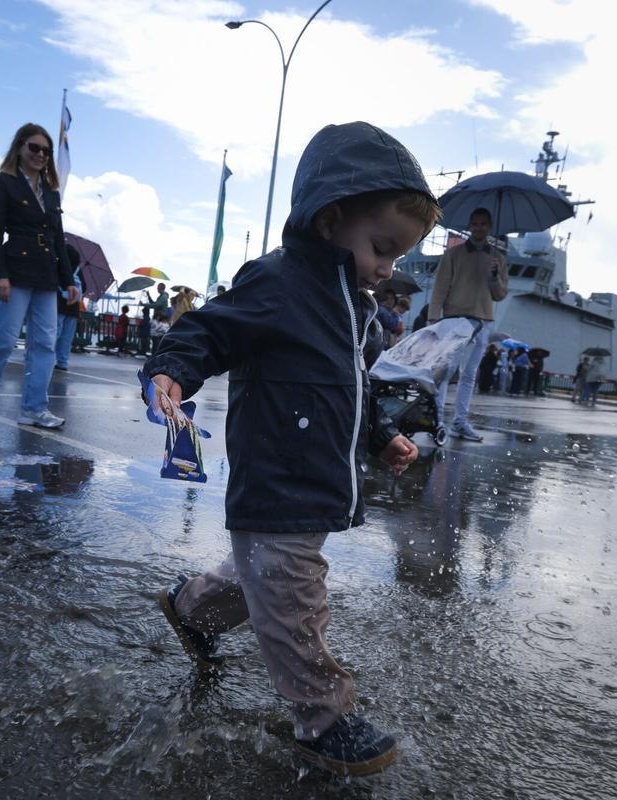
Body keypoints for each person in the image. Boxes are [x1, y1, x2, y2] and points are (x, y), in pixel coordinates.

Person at [146, 122, 435, 776]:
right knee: (295, 600)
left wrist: (383, 434)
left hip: (315, 486)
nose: (388, 268)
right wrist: (173, 370)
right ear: (330, 219)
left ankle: (189, 607)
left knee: (264, 583)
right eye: (381, 247)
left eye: (399, 256)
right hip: (276, 477)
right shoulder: (277, 282)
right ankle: (324, 720)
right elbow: (207, 331)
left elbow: (358, 391)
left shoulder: (357, 312)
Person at [0, 122, 78, 429]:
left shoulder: (52, 192)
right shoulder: (3, 182)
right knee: (1, 341)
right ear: (20, 147)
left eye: (46, 150)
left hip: (46, 275)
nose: (40, 154)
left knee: (44, 345)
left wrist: (69, 280)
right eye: (34, 148)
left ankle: (34, 409)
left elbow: (58, 237)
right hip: (15, 272)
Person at [425, 208, 509, 440]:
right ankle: (437, 419)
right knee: (446, 372)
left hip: (484, 321)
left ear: (489, 226)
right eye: (475, 223)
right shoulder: (453, 255)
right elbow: (440, 286)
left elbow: (500, 295)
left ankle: (460, 422)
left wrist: (494, 277)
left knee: (469, 375)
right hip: (455, 320)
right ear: (469, 226)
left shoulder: (498, 259)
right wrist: (433, 318)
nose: (479, 227)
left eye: (483, 224)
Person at [54, 244, 84, 371]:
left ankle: (47, 358)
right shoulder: (78, 270)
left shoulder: (59, 266)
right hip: (73, 309)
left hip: (59, 305)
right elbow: (85, 287)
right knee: (67, 338)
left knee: (54, 334)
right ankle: (63, 362)